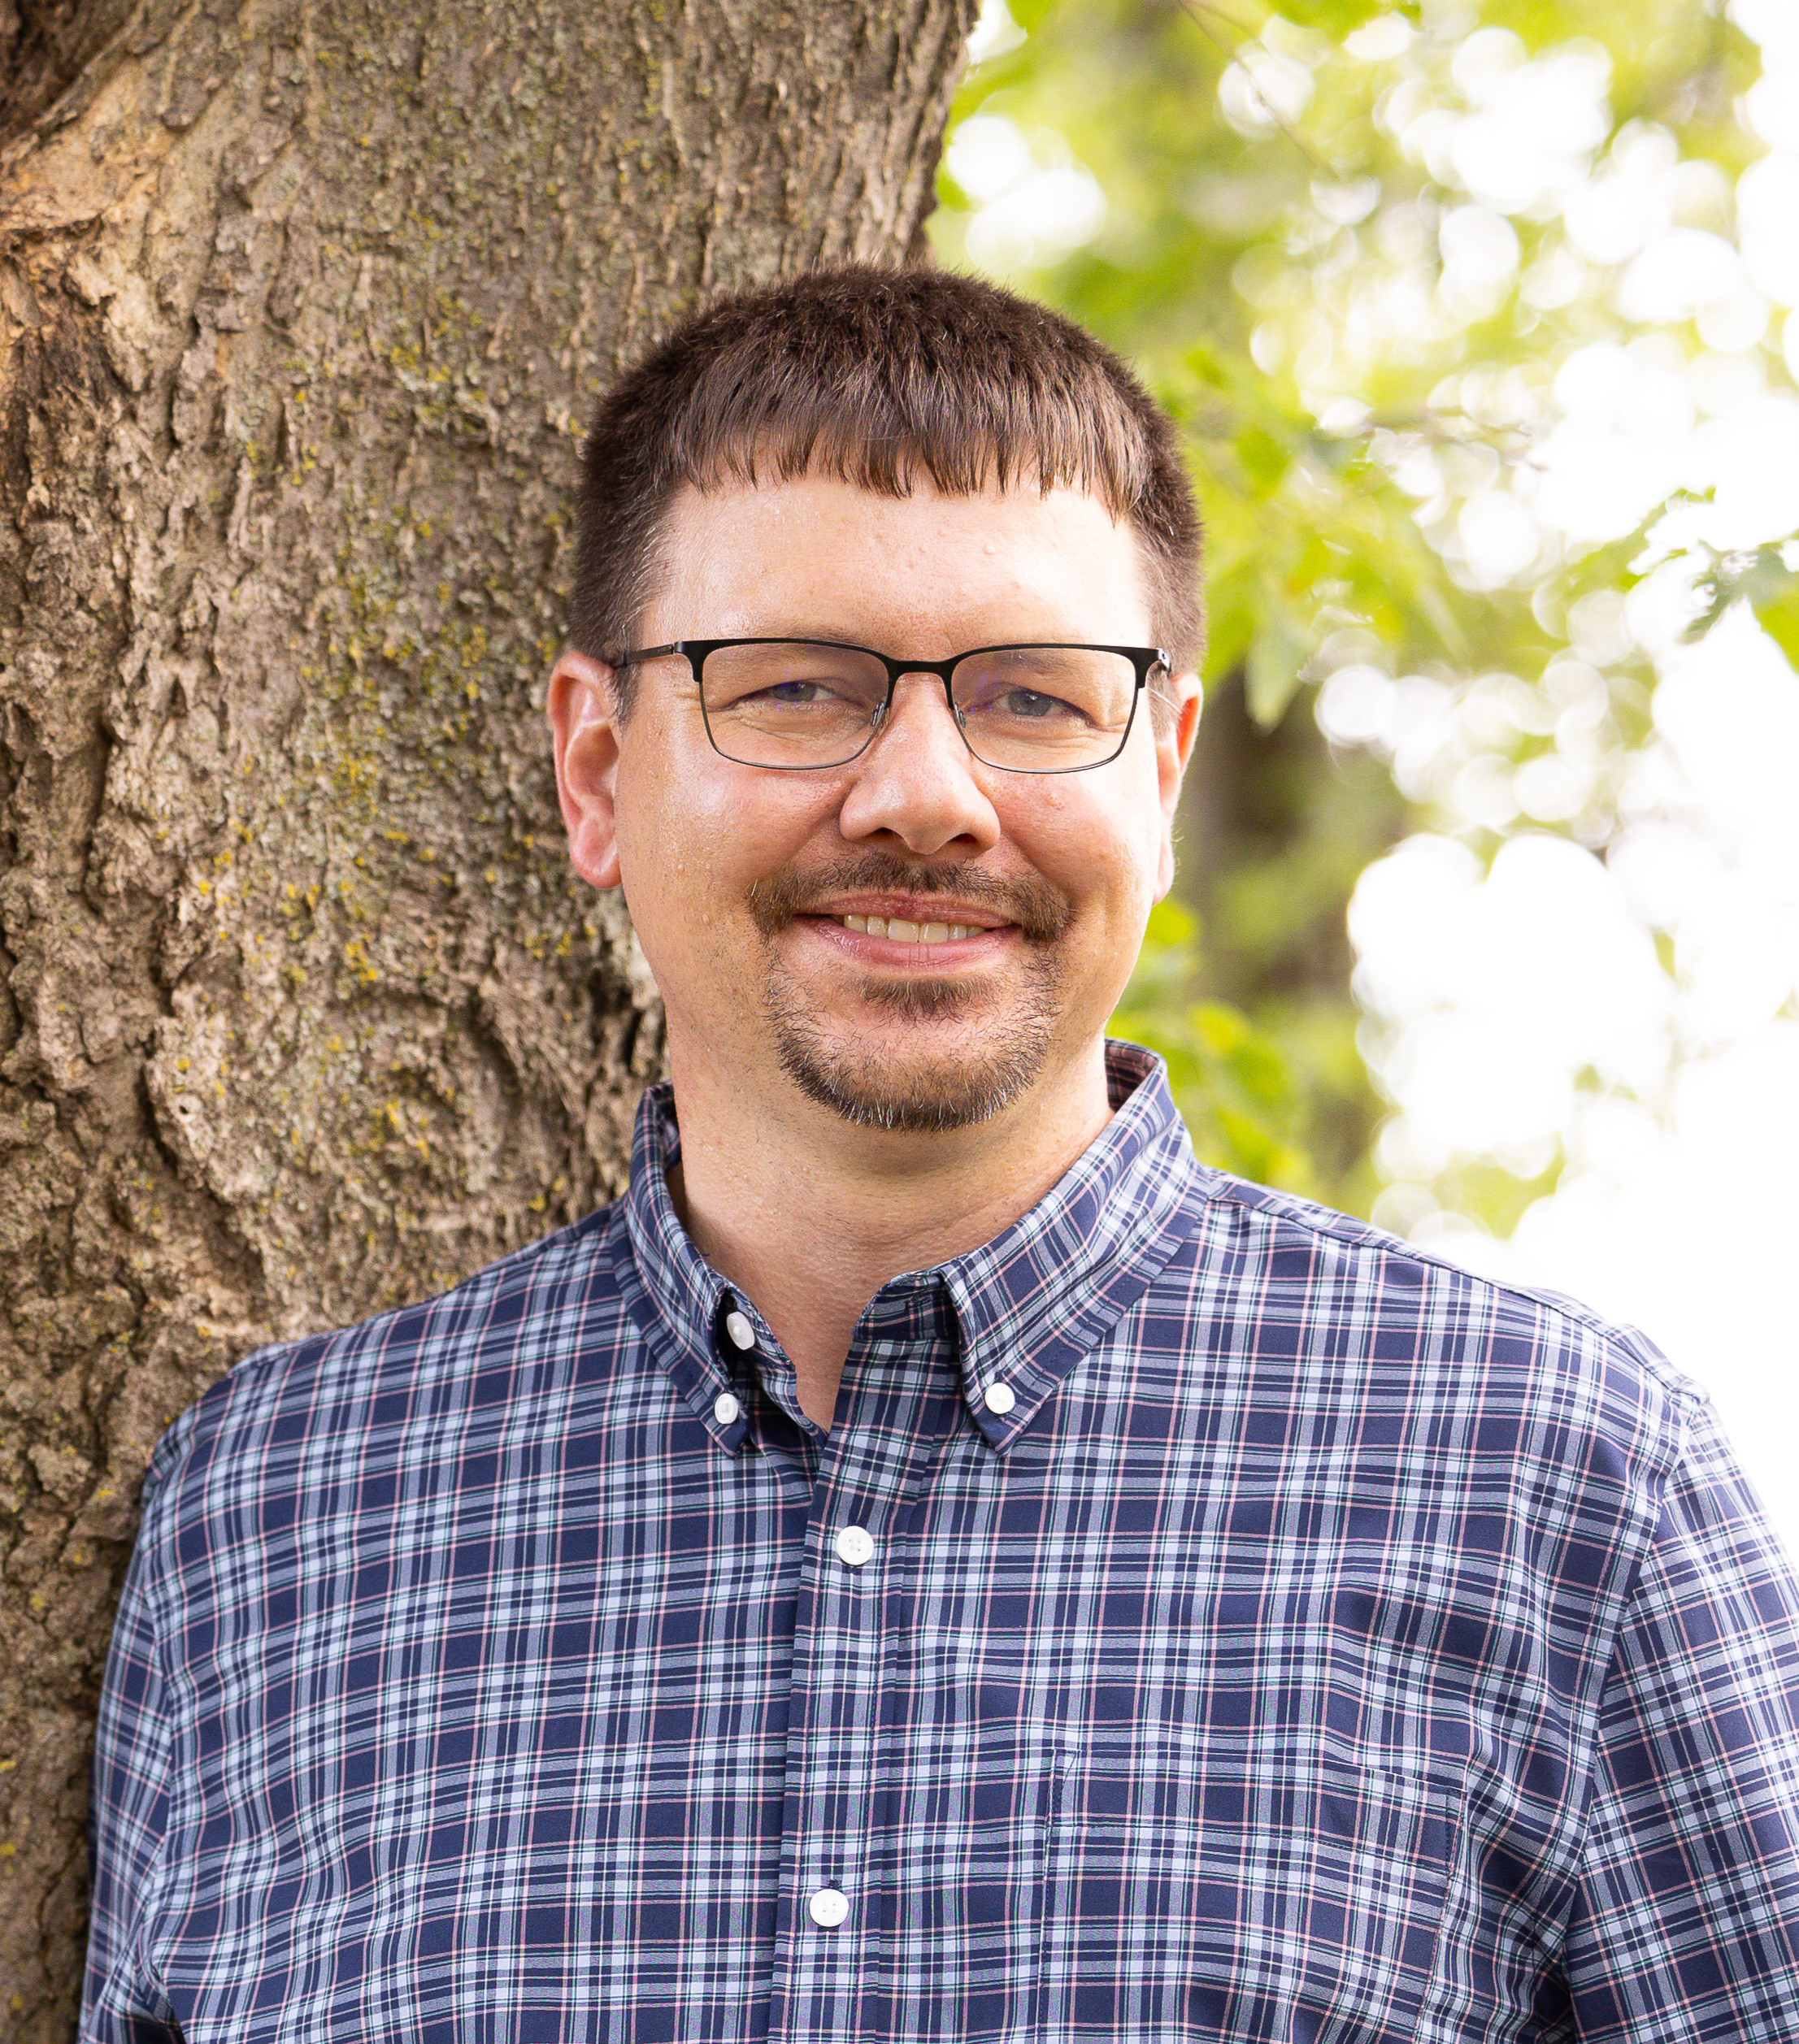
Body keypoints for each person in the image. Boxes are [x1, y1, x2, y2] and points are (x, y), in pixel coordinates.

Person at [84, 264, 1799, 2043]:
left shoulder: (1565, 1491)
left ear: (1164, 771)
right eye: (801, 688)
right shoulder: (273, 1521)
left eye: (1038, 699)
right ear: (597, 771)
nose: (925, 791)